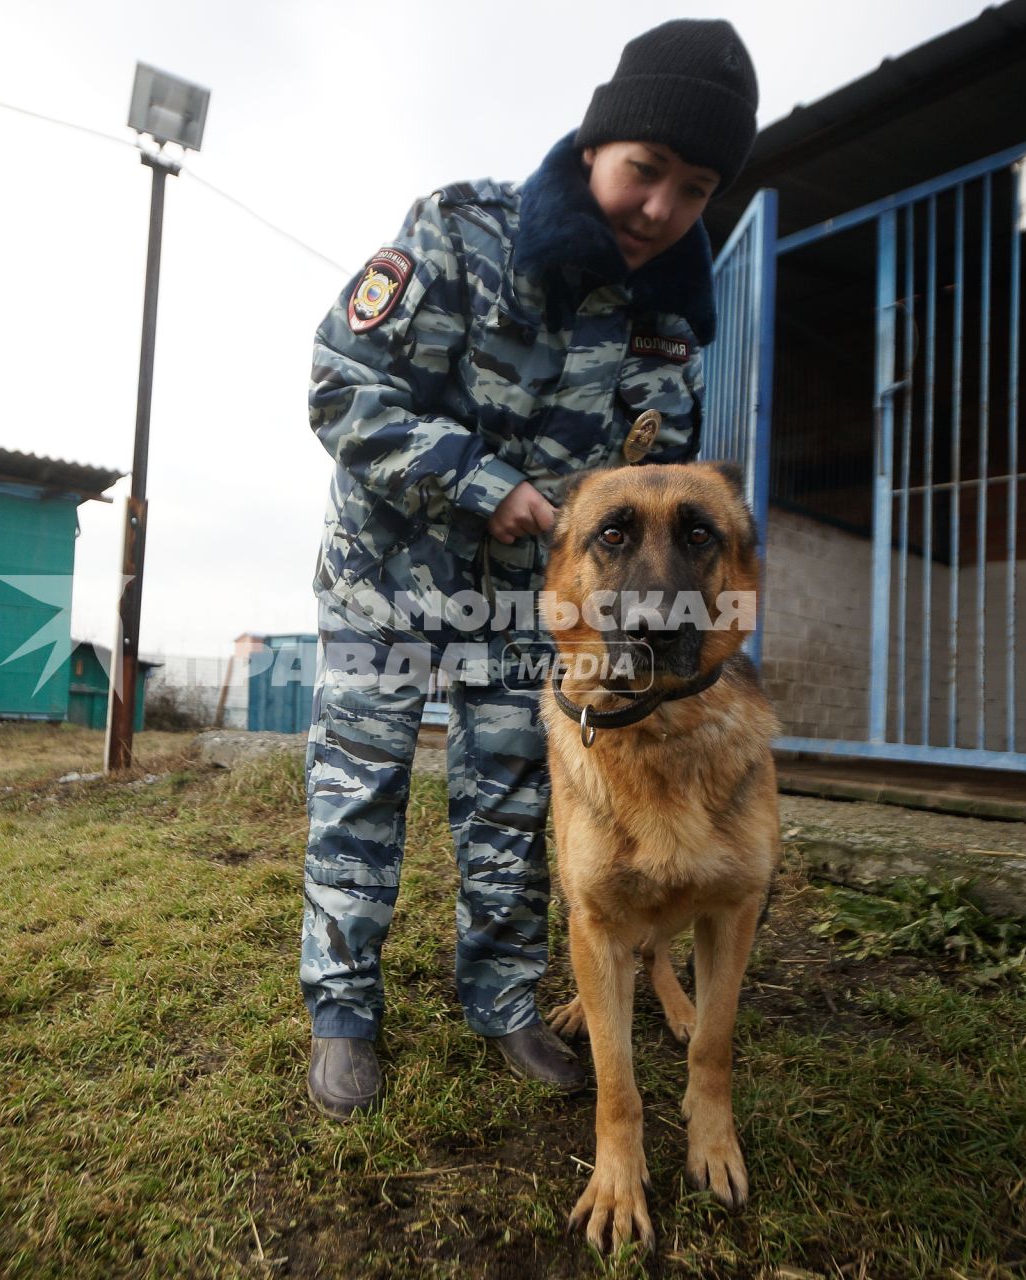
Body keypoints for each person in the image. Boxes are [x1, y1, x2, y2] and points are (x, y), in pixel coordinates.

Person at [299, 17, 760, 1119]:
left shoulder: (669, 326)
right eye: (645, 170)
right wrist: (481, 483)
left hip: (533, 612)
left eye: (694, 189)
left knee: (511, 800)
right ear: (597, 144)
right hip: (390, 578)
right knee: (361, 791)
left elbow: (654, 488)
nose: (662, 209)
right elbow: (337, 382)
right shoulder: (462, 231)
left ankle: (503, 1000)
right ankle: (345, 1013)